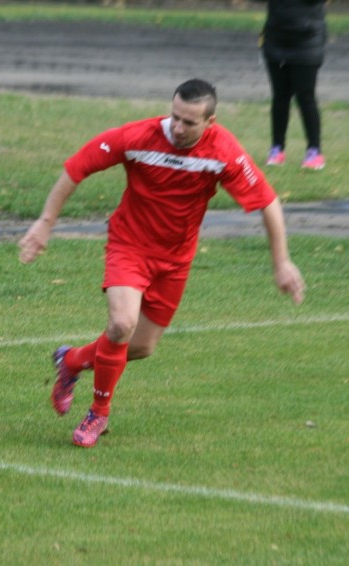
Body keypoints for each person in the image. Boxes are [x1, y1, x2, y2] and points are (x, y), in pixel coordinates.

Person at [18, 78, 305, 448]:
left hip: (175, 259)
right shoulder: (137, 137)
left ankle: (72, 361)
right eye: (175, 117)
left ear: (210, 123)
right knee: (121, 324)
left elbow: (267, 201)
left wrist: (281, 263)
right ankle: (98, 414)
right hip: (129, 245)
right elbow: (76, 168)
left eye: (190, 122)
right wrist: (44, 224)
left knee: (140, 347)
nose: (179, 128)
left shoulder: (223, 151)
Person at [259, 0, 328, 170]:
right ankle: (277, 149)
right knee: (280, 96)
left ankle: (314, 151)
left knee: (305, 96)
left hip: (307, 40)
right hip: (276, 38)